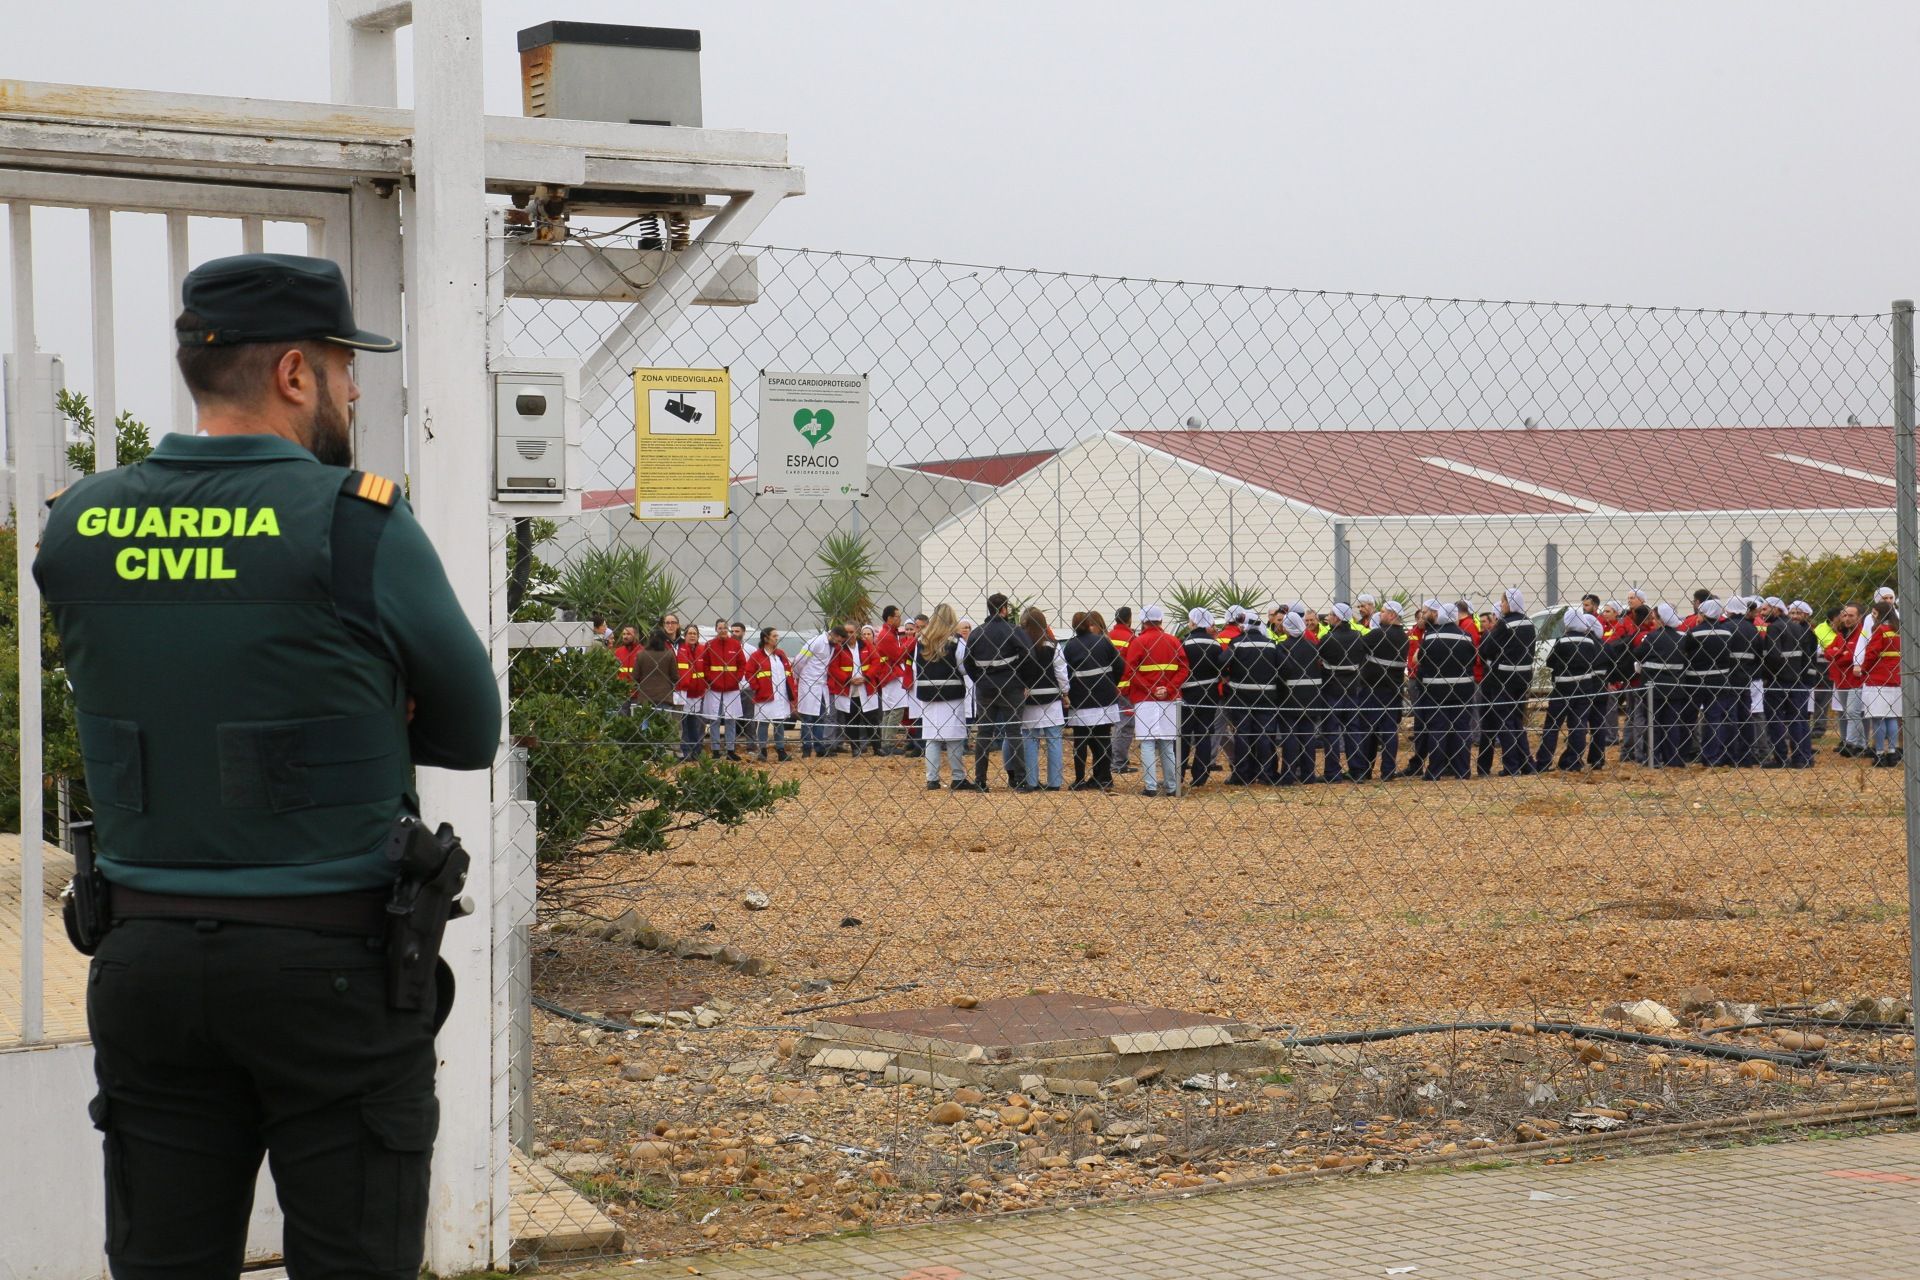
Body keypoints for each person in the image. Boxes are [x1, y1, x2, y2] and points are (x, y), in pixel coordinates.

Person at [32, 252, 500, 1279]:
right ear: (296, 374)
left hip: (145, 963)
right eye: (344, 365)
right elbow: (470, 729)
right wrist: (371, 698)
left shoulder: (80, 525)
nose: (357, 387)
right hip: (330, 970)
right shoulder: (356, 521)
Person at [962, 593, 1034, 791]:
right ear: (1004, 609)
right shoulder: (1013, 631)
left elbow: (967, 661)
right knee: (1013, 732)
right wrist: (1022, 680)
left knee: (984, 733)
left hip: (985, 688)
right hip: (1011, 688)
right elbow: (1029, 655)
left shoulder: (977, 633)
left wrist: (980, 678)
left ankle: (980, 780)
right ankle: (1020, 780)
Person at [1123, 604, 1187, 796]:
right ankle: (1172, 786)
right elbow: (1184, 668)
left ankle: (1150, 787)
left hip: (1145, 699)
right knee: (1167, 743)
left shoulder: (1138, 642)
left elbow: (1130, 671)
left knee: (1148, 743)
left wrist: (1150, 689)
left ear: (1143, 621)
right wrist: (1167, 689)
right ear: (1161, 620)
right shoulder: (1173, 641)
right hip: (1169, 699)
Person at [1534, 608, 1605, 771]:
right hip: (1585, 688)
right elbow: (1595, 660)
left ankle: (1544, 762)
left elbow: (1550, 662)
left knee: (1552, 725)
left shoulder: (1562, 641)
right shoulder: (1590, 642)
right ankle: (1573, 761)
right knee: (1578, 725)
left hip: (1562, 688)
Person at [1476, 588, 1537, 776]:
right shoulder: (1528, 623)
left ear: (1510, 603)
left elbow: (1487, 648)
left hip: (1503, 678)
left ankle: (1511, 766)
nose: (1501, 605)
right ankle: (1526, 763)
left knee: (1505, 722)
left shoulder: (1505, 624)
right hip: (1523, 677)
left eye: (1503, 602)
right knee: (1517, 721)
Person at [1414, 602, 1476, 779]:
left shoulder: (1430, 637)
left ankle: (1435, 771)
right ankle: (1463, 770)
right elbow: (1471, 659)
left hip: (1436, 691)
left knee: (1438, 730)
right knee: (1461, 730)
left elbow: (1422, 660)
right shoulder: (1466, 636)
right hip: (1462, 690)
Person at [1063, 610, 1124, 790]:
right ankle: (1104, 777)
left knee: (1081, 741)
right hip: (1105, 698)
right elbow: (1120, 665)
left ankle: (1080, 779)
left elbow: (1064, 673)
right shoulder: (1103, 641)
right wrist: (1111, 683)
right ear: (1089, 624)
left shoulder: (1071, 646)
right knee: (1103, 739)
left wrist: (1067, 692)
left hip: (1081, 699)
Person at [1223, 607, 1284, 785]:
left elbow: (1221, 661)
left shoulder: (1237, 643)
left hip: (1241, 695)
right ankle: (1267, 773)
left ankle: (1243, 774)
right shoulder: (1271, 644)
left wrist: (1227, 676)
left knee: (1243, 735)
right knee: (1265, 735)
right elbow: (1282, 666)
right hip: (1266, 696)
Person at [914, 604, 971, 789]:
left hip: (928, 694)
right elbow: (963, 666)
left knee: (931, 737)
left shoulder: (922, 640)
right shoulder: (955, 641)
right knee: (954, 737)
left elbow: (916, 667)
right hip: (951, 693)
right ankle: (957, 777)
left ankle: (932, 779)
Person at [1350, 597, 1407, 781]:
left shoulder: (1379, 634)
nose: (1379, 614)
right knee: (1389, 731)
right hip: (1393, 690)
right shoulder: (1403, 637)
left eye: (1382, 611)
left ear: (1391, 615)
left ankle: (1364, 770)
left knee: (1367, 730)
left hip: (1373, 689)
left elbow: (1356, 647)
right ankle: (1388, 771)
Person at [1762, 600, 1820, 769]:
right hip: (1796, 680)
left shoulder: (1774, 628)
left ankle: (1780, 757)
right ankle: (1801, 757)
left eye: (1766, 609)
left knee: (1775, 719)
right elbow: (1804, 657)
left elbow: (1773, 655)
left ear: (1776, 609)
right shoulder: (1797, 628)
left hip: (1778, 681)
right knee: (1797, 719)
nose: (1762, 613)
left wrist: (1768, 675)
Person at [1018, 607, 1070, 791]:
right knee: (1054, 739)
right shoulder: (1053, 645)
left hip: (1029, 698)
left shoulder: (1021, 645)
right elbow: (1061, 672)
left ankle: (1031, 781)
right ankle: (1055, 782)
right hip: (1051, 698)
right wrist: (1065, 692)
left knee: (1031, 740)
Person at [1179, 607, 1227, 788]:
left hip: (1188, 695)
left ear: (1192, 623)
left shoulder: (1184, 643)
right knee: (1205, 734)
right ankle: (1201, 776)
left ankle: (1179, 773)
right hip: (1209, 694)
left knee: (1184, 735)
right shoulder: (1215, 644)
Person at [1316, 603, 1363, 780]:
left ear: (1337, 617)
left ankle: (1332, 772)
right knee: (1353, 729)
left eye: (1331, 615)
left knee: (1331, 731)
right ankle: (1357, 770)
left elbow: (1318, 656)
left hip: (1332, 689)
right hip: (1352, 688)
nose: (1329, 617)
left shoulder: (1329, 638)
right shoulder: (1358, 637)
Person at [1639, 604, 1690, 767]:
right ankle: (1673, 758)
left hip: (1654, 688)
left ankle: (1653, 757)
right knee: (1672, 724)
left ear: (1661, 619)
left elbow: (1638, 654)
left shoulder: (1652, 637)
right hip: (1675, 687)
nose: (1653, 621)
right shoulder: (1682, 638)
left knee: (1654, 723)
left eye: (1655, 618)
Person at [1857, 601, 1901, 766]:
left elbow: (1871, 653)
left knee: (1878, 718)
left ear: (1881, 614)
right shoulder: (1899, 630)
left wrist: (1863, 669)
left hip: (1877, 679)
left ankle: (1880, 753)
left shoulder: (1880, 630)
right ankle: (1893, 752)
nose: (1872, 617)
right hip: (1895, 678)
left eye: (1874, 614)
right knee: (1891, 718)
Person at [744, 627, 796, 762]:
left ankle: (781, 750)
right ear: (766, 638)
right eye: (774, 636)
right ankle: (762, 751)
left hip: (781, 694)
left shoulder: (780, 654)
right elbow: (749, 673)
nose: (776, 638)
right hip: (765, 694)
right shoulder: (757, 656)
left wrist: (791, 690)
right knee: (763, 723)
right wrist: (756, 687)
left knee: (779, 723)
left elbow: (788, 671)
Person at [833, 623, 883, 756]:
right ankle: (855, 748)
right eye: (846, 633)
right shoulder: (838, 648)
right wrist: (848, 679)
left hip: (866, 687)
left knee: (871, 718)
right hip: (848, 688)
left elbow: (876, 661)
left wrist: (866, 677)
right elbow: (833, 667)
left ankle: (877, 747)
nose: (849, 635)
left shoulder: (866, 645)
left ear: (857, 632)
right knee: (851, 719)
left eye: (851, 632)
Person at [700, 618, 747, 761]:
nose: (723, 631)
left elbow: (741, 665)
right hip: (714, 688)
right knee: (714, 719)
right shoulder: (709, 645)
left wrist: (736, 679)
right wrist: (711, 680)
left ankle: (730, 750)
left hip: (731, 688)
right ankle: (715, 750)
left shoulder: (735, 644)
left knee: (730, 720)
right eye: (720, 628)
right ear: (716, 629)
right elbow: (705, 665)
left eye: (725, 628)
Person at [1825, 603, 1865, 756]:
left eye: (1851, 616)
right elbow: (1828, 651)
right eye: (1845, 615)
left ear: (1859, 617)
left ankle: (1851, 743)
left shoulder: (1862, 634)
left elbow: (1851, 657)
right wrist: (1839, 654)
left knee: (1853, 712)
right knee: (1847, 712)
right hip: (1841, 680)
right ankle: (1860, 744)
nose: (1847, 619)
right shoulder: (1842, 634)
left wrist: (1837, 654)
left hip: (1855, 680)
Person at [792, 624, 837, 759]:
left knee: (820, 717)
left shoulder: (831, 645)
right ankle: (806, 748)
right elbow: (799, 660)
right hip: (809, 683)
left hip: (821, 685)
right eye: (839, 640)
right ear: (833, 635)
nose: (839, 644)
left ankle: (819, 747)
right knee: (808, 718)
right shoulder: (816, 642)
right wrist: (801, 676)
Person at [875, 604, 913, 756]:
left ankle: (886, 743)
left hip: (890, 675)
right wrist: (912, 641)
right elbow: (898, 655)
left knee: (889, 710)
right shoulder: (887, 635)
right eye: (897, 617)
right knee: (896, 709)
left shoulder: (890, 633)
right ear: (890, 618)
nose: (900, 619)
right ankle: (888, 743)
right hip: (892, 675)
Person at [630, 625, 679, 732]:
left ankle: (647, 746)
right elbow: (675, 676)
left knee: (645, 724)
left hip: (645, 697)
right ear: (664, 640)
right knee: (663, 727)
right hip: (664, 696)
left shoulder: (641, 654)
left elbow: (635, 676)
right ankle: (660, 747)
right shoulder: (669, 654)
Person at [1107, 606, 1137, 773]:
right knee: (1125, 725)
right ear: (1129, 619)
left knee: (1114, 724)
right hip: (1125, 688)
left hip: (1109, 687)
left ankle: (1114, 759)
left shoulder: (1109, 636)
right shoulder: (1131, 638)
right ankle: (1118, 762)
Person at [675, 623, 707, 760]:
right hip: (684, 693)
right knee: (685, 723)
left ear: (698, 636)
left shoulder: (703, 650)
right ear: (685, 635)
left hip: (698, 694)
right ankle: (686, 750)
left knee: (696, 723)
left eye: (695, 634)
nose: (692, 636)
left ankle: (697, 750)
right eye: (690, 633)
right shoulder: (681, 650)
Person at [612, 624, 643, 712]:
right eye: (624, 634)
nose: (625, 636)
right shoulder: (618, 652)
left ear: (635, 635)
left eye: (628, 634)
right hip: (622, 695)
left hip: (637, 695)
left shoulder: (642, 651)